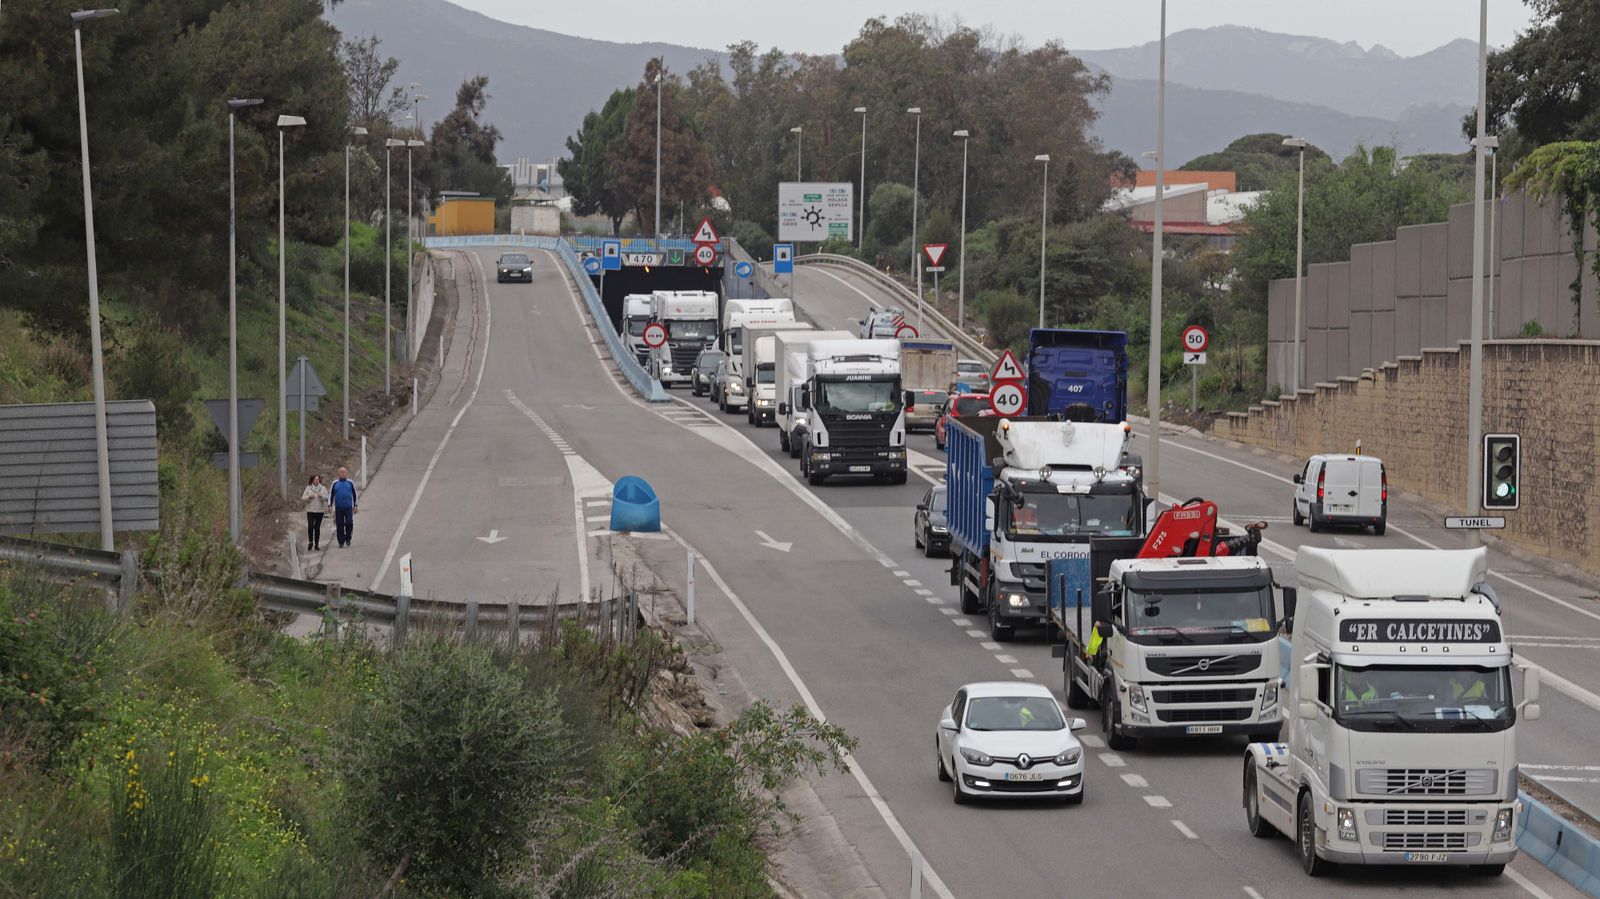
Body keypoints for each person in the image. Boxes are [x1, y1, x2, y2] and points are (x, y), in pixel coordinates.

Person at [329, 466, 358, 548]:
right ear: (338, 474)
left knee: (349, 522)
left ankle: (348, 538)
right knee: (339, 524)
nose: (342, 473)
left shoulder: (350, 483)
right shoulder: (335, 483)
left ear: (346, 473)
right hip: (338, 507)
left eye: (344, 472)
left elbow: (355, 494)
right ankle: (341, 541)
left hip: (348, 507)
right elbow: (331, 494)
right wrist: (330, 505)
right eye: (341, 472)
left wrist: (355, 505)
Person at [300, 474, 330, 551]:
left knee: (317, 527)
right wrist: (309, 497)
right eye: (315, 479)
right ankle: (310, 542)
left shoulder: (322, 488)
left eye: (318, 479)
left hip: (319, 511)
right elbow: (303, 498)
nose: (316, 480)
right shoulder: (308, 488)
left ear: (319, 480)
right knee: (310, 526)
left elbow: (327, 498)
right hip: (310, 510)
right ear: (312, 480)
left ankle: (316, 544)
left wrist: (321, 496)